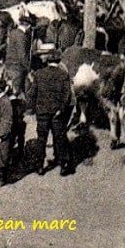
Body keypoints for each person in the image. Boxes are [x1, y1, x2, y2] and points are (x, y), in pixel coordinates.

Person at [26, 43, 74, 177]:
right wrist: (62, 109)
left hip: (42, 112)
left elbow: (32, 94)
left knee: (41, 139)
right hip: (58, 112)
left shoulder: (39, 74)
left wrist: (33, 108)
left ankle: (39, 166)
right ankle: (64, 165)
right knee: (60, 137)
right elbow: (67, 94)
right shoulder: (63, 74)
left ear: (47, 61)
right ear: (58, 61)